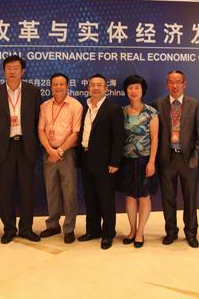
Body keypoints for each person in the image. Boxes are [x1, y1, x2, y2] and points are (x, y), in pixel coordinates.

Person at [0, 55, 42, 244]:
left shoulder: (33, 91)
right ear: (4, 71)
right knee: (6, 191)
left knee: (27, 190)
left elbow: (37, 118)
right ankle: (9, 229)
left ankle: (26, 229)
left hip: (26, 146)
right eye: (8, 68)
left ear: (22, 71)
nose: (12, 71)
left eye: (16, 68)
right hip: (5, 147)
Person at [153, 70, 199, 248]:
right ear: (166, 84)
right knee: (168, 199)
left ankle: (191, 233)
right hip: (167, 159)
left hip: (188, 159)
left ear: (184, 84)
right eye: (171, 81)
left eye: (178, 82)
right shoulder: (158, 104)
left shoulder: (195, 104)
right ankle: (171, 232)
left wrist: (195, 157)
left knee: (190, 199)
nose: (174, 85)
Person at [77, 74, 124, 250]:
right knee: (90, 198)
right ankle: (93, 230)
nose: (96, 88)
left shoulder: (113, 109)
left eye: (99, 85)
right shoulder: (85, 107)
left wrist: (115, 162)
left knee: (106, 200)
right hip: (86, 158)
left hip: (105, 163)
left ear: (106, 89)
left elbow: (119, 138)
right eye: (92, 85)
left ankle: (108, 233)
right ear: (88, 87)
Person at [37, 73, 83, 244]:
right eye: (55, 84)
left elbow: (75, 133)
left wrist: (60, 151)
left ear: (67, 86)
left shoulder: (75, 106)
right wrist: (50, 150)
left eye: (61, 84)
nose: (58, 87)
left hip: (67, 153)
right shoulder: (44, 106)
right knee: (51, 190)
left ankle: (69, 228)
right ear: (51, 86)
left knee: (69, 192)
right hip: (48, 152)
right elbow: (40, 130)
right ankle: (53, 224)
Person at [116, 75, 159, 249]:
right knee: (130, 197)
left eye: (137, 88)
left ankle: (140, 231)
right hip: (126, 160)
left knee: (144, 197)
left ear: (142, 90)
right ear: (126, 90)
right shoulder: (121, 112)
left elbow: (155, 138)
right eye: (130, 88)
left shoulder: (151, 112)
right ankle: (132, 230)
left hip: (145, 160)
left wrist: (152, 161)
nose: (133, 91)